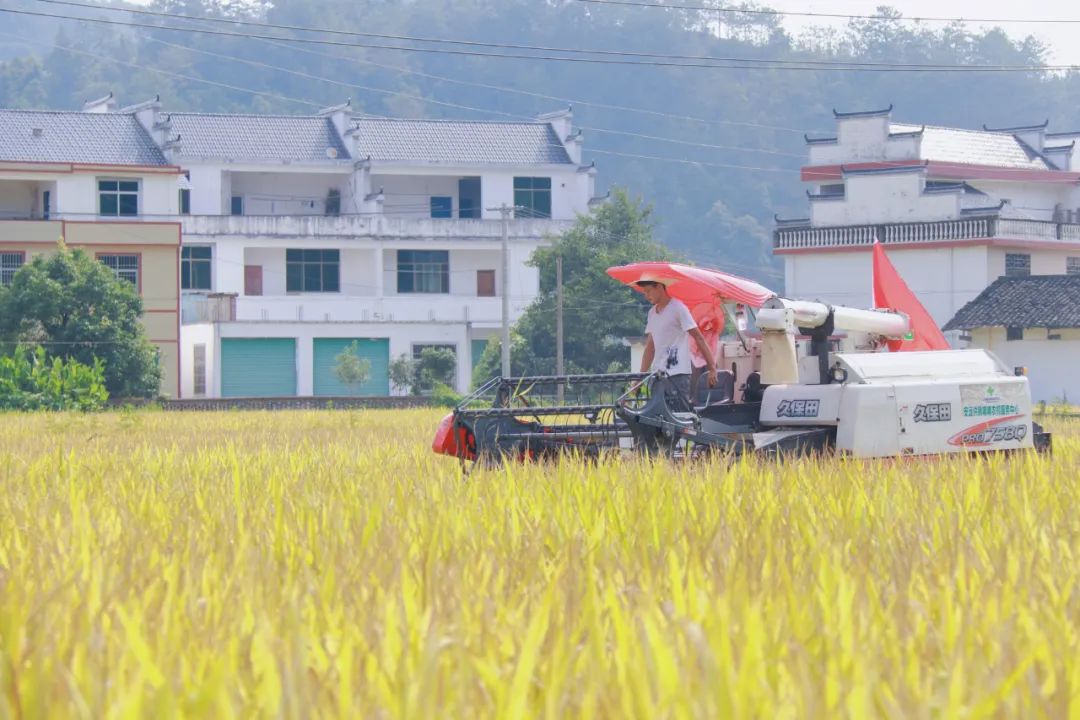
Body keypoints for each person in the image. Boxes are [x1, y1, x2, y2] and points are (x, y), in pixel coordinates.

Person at [635, 276, 718, 407]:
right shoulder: (652, 313)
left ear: (659, 287)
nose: (646, 295)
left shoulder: (678, 308)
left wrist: (712, 368)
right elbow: (650, 348)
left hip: (677, 374)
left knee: (679, 416)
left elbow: (698, 337)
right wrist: (640, 377)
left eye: (648, 291)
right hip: (657, 374)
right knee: (657, 418)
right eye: (644, 292)